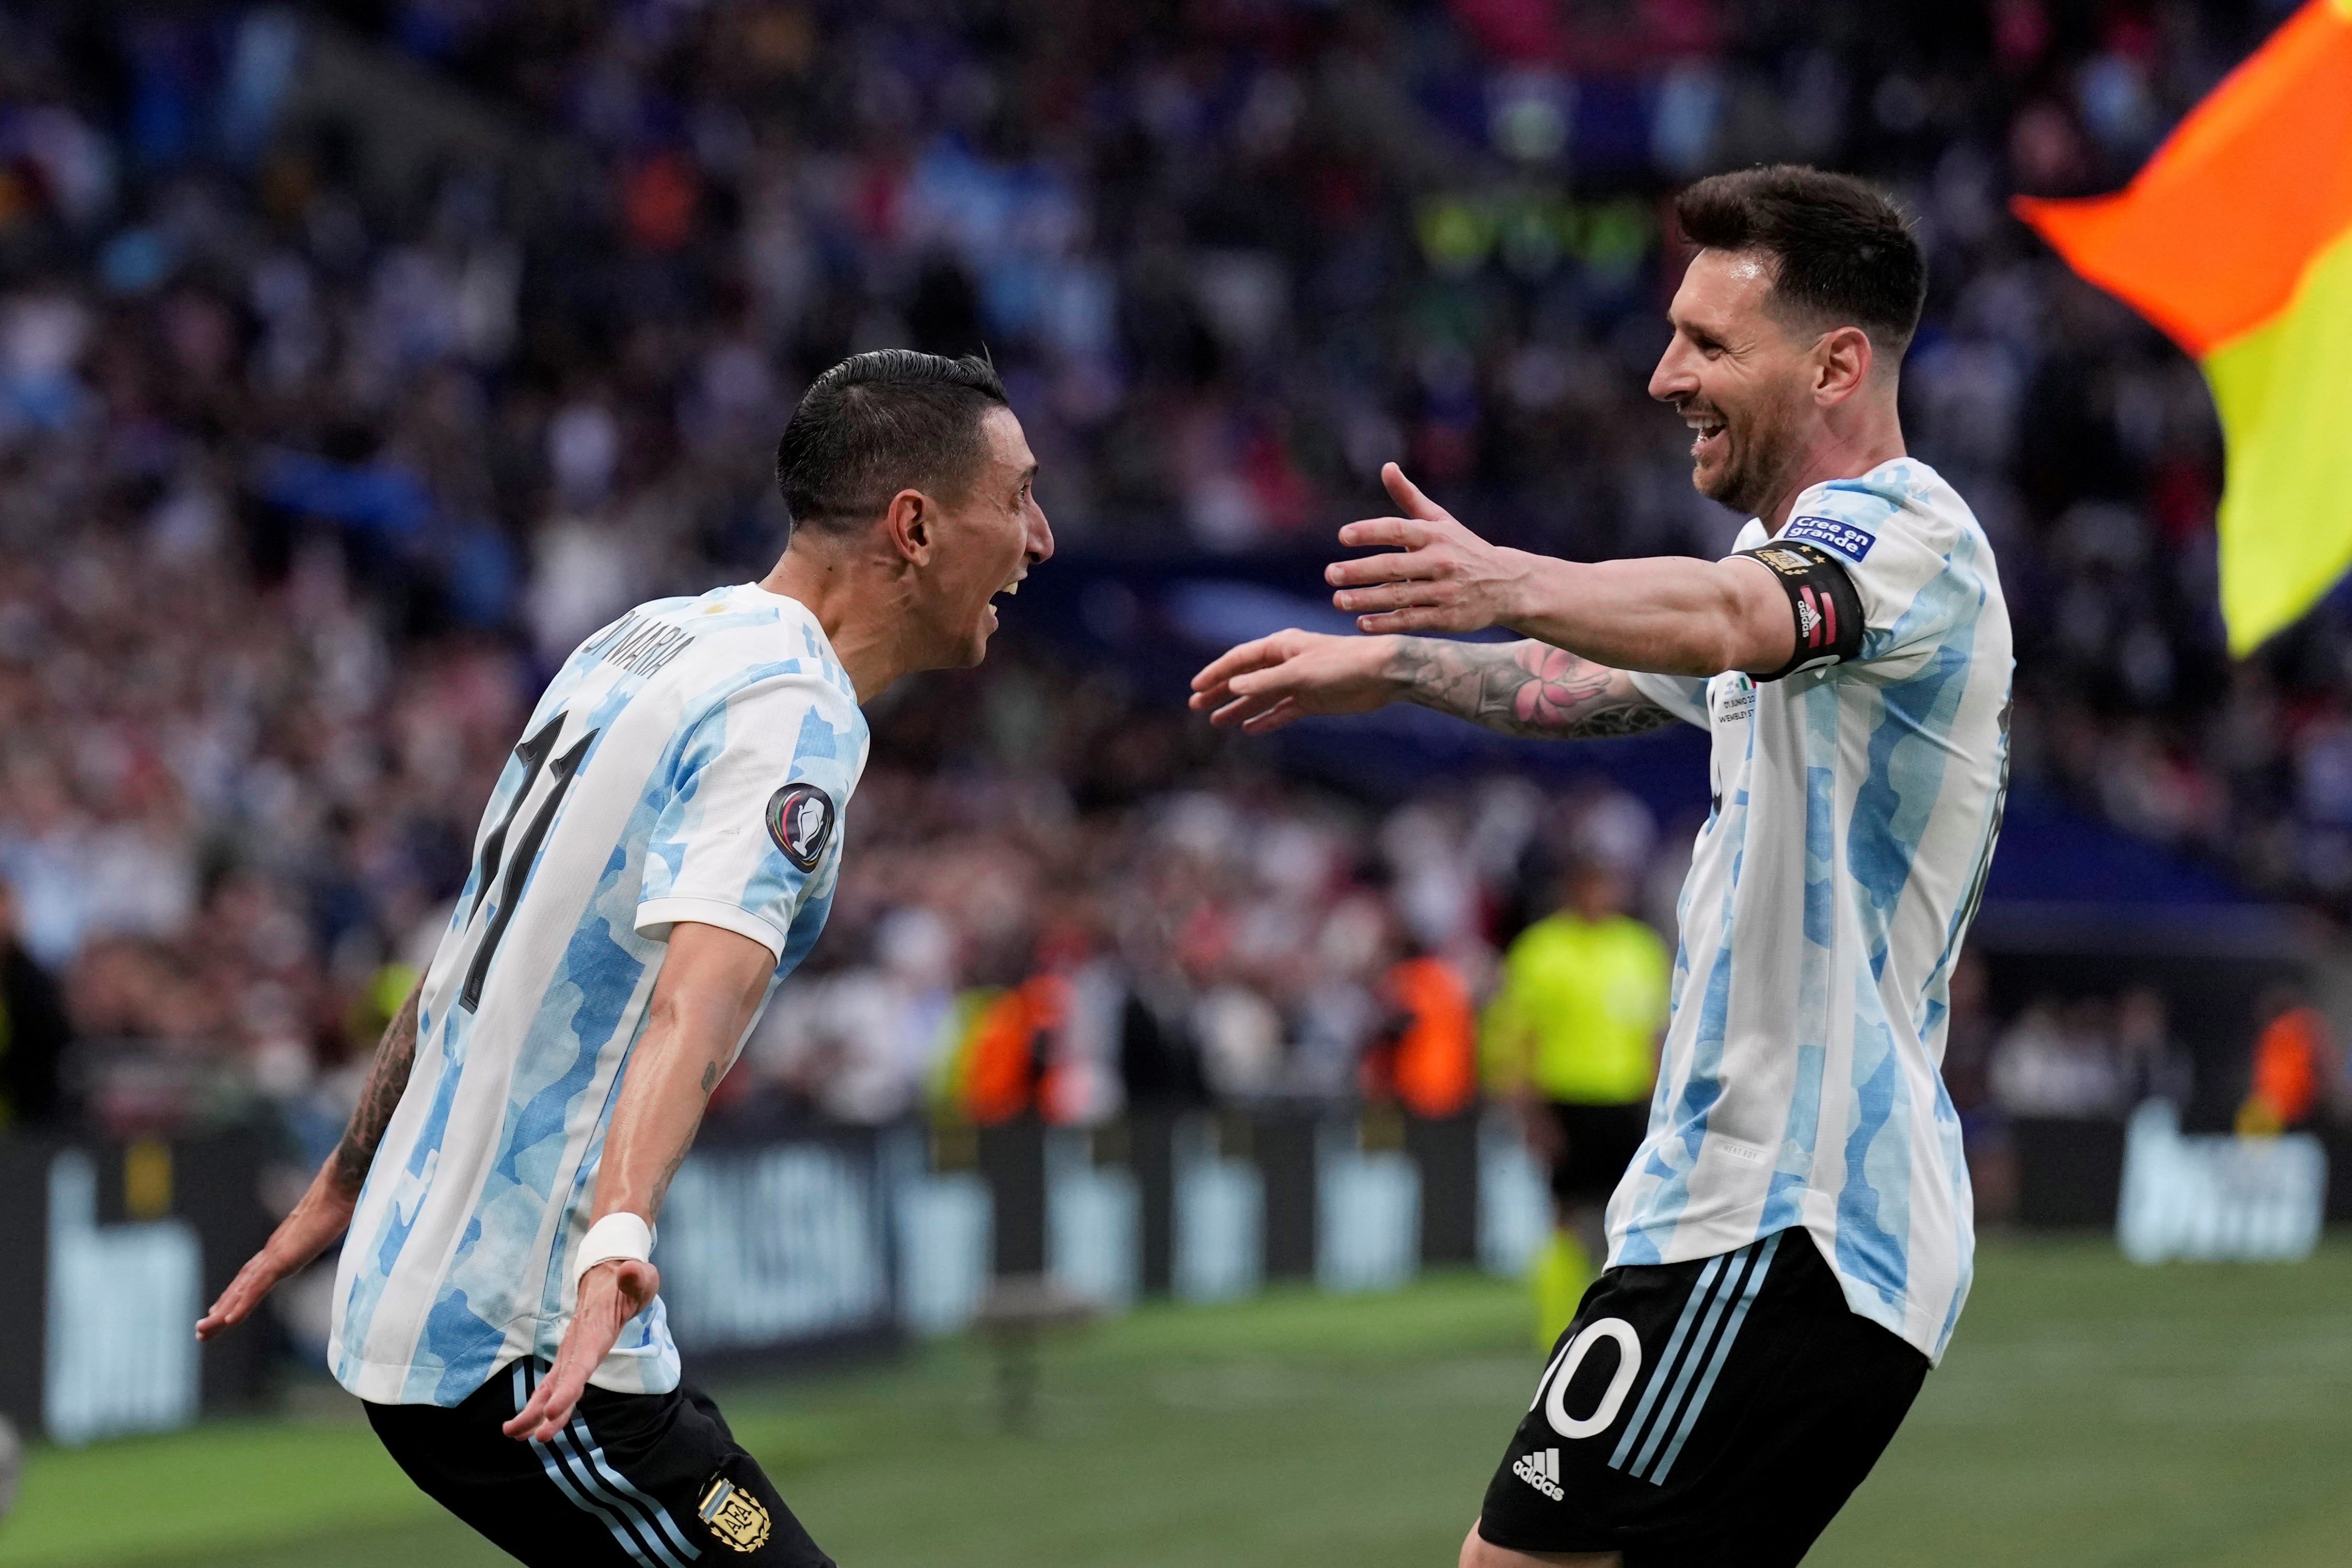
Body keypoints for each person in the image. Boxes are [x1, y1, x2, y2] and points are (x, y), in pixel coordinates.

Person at [1192, 165, 2011, 1567]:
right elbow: (1585, 676)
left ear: (1832, 363)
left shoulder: (1903, 538)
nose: (1659, 376)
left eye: (1705, 342)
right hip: (1757, 1216)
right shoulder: (1789, 578)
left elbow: (1720, 614)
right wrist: (1393, 662)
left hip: (1782, 1218)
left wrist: (1504, 572)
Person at [197, 350, 1053, 1568]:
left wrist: (349, 1168)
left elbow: (473, 939)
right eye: (1016, 496)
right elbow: (692, 1009)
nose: (1041, 537)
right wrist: (615, 1247)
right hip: (530, 1343)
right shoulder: (790, 714)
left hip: (436, 1306)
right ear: (912, 527)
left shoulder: (647, 637)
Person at [1484, 862, 1668, 1349]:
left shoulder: (1638, 948)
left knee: (1630, 1217)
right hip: (1565, 1099)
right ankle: (1556, 1329)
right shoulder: (1541, 951)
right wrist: (1529, 1112)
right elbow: (1519, 1036)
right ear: (1570, 890)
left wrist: (1660, 1104)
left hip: (1627, 1101)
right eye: (1589, 885)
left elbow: (1655, 1034)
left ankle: (1622, 1324)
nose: (1599, 895)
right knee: (1564, 1214)